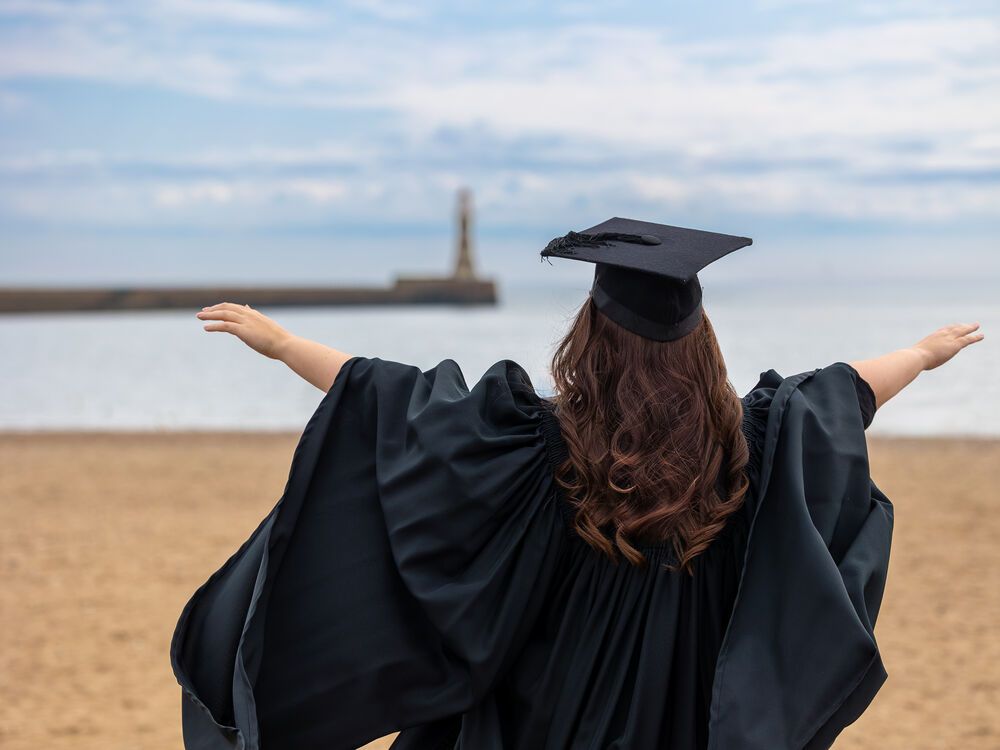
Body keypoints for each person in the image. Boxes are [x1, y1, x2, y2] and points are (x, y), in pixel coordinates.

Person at [170, 219, 983, 750]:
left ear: (589, 339)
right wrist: (923, 353)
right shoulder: (753, 442)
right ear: (699, 343)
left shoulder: (536, 444)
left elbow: (397, 402)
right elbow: (845, 392)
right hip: (688, 717)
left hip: (545, 715)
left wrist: (283, 345)